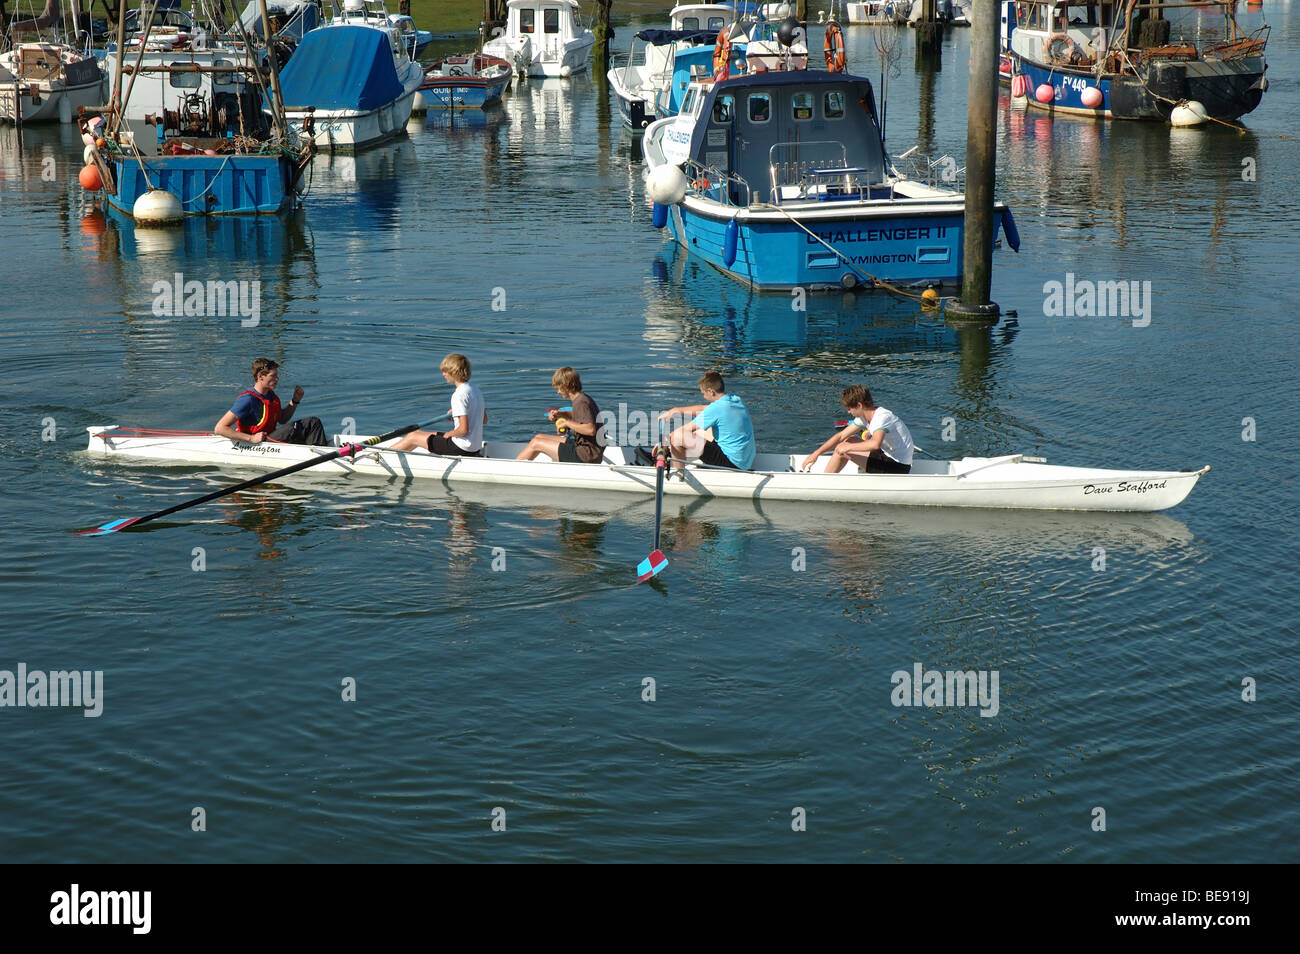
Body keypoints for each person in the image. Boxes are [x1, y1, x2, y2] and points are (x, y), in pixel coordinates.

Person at [214, 357, 329, 446]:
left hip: (270, 439)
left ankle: (318, 448)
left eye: (277, 376)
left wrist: (295, 401)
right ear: (260, 376)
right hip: (259, 443)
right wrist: (251, 438)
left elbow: (282, 419)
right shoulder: (247, 399)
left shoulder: (271, 396)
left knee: (313, 424)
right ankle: (321, 455)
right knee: (312, 422)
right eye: (273, 376)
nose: (277, 379)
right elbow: (220, 428)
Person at [800, 385, 913, 474]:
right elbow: (840, 436)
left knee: (843, 448)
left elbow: (875, 444)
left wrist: (846, 449)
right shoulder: (864, 417)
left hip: (898, 468)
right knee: (848, 440)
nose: (849, 412)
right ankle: (829, 477)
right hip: (887, 457)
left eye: (849, 408)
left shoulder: (881, 417)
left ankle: (823, 483)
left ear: (859, 405)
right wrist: (816, 453)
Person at [389, 353, 487, 456]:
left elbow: (463, 430)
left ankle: (382, 457)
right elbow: (484, 419)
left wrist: (448, 434)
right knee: (416, 433)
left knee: (413, 437)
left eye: (445, 371)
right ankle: (394, 457)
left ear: (453, 372)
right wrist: (457, 412)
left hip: (460, 448)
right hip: (474, 447)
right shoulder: (475, 389)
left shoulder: (458, 395)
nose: (443, 374)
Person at [658, 371, 755, 471]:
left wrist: (662, 444)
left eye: (703, 393)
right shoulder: (735, 400)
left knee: (678, 436)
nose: (703, 396)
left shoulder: (716, 409)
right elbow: (704, 409)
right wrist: (676, 411)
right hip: (745, 460)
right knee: (703, 431)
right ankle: (672, 455)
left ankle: (678, 474)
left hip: (731, 464)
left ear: (711, 391)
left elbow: (684, 431)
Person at [516, 367, 605, 463]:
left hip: (586, 455)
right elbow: (580, 416)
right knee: (539, 437)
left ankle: (513, 469)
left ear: (566, 386)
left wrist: (567, 423)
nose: (558, 392)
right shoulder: (582, 398)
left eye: (559, 388)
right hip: (588, 449)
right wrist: (561, 414)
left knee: (535, 443)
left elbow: (590, 430)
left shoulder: (581, 402)